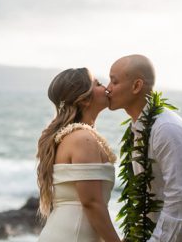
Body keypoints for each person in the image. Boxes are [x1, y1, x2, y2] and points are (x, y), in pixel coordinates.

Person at [106, 55, 182, 242]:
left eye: (114, 81)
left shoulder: (167, 129)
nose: (108, 88)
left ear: (136, 86)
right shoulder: (137, 128)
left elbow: (180, 197)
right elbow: (148, 193)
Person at [37, 68, 121, 242]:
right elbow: (91, 202)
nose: (105, 87)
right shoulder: (82, 138)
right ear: (84, 100)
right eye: (97, 84)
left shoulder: (73, 136)